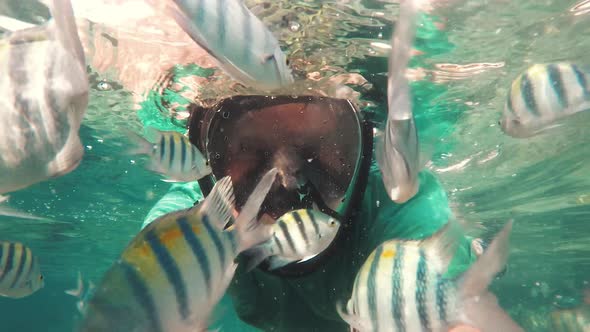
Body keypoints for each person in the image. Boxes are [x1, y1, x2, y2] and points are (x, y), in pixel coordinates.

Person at [140, 94, 482, 331]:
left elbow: (451, 318)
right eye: (248, 148)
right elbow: (149, 288)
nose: (287, 178)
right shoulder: (196, 216)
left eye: (319, 146)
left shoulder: (393, 201)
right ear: (210, 160)